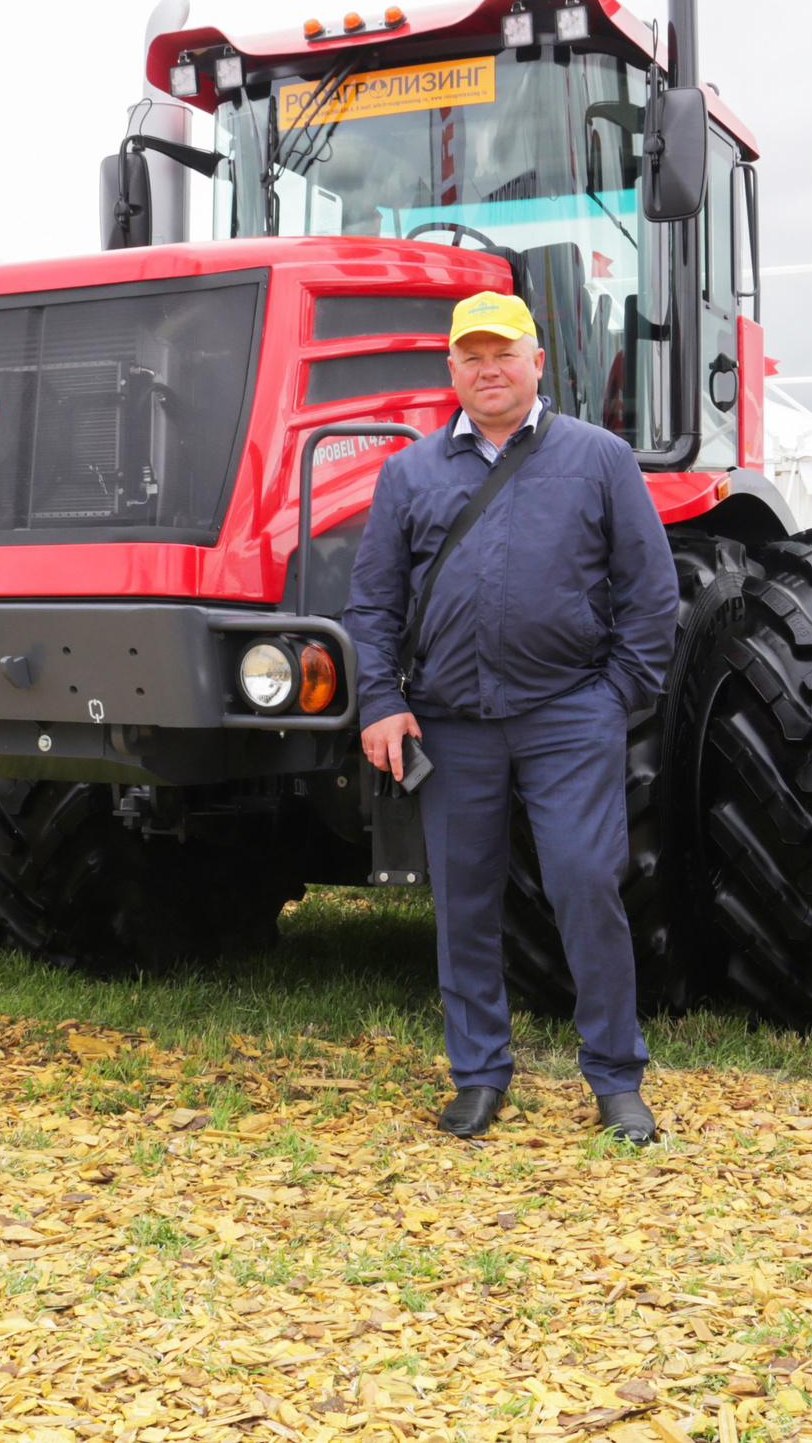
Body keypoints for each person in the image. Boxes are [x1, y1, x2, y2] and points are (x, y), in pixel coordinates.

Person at [344, 291, 680, 1144]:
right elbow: (373, 604)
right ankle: (480, 1075)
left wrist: (613, 697)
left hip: (568, 714)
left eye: (505, 354)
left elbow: (651, 593)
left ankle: (615, 1076)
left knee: (584, 882)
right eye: (472, 357)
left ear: (538, 362)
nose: (489, 370)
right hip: (450, 724)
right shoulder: (410, 472)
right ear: (451, 371)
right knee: (462, 901)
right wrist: (382, 703)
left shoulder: (599, 459)